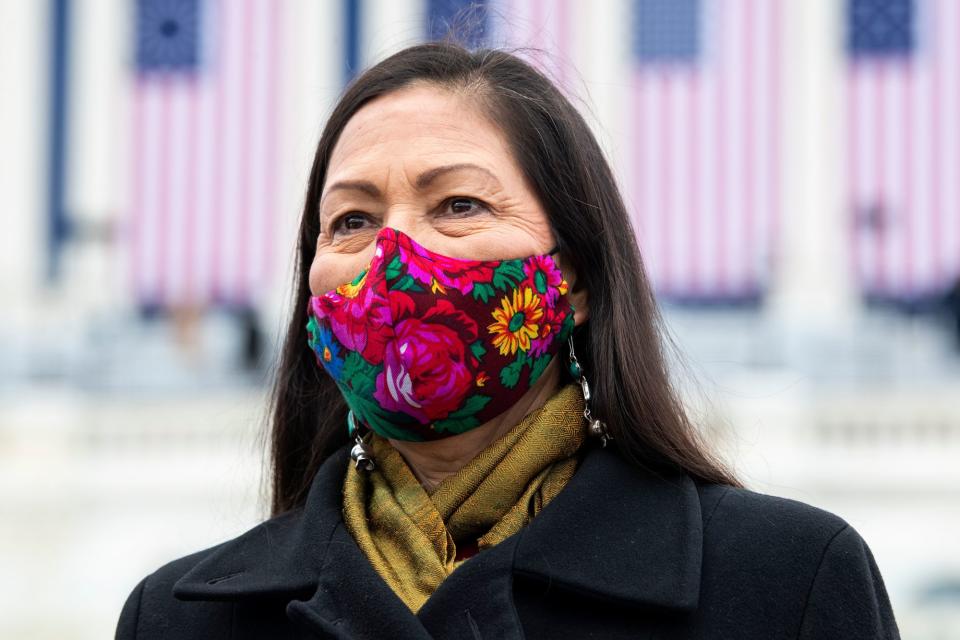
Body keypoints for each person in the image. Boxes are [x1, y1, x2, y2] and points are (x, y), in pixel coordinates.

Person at [115, 41, 900, 639]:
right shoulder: (177, 619)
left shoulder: (786, 582)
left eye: (457, 205)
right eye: (352, 220)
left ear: (578, 278)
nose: (394, 257)